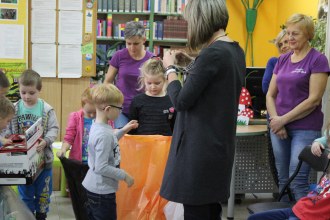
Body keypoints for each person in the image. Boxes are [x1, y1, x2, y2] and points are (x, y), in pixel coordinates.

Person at [159, 0, 246, 219]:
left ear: (201, 20)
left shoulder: (212, 54)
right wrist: (190, 62)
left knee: (197, 212)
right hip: (217, 147)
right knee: (209, 210)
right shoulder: (234, 50)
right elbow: (211, 79)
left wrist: (170, 69)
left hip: (200, 151)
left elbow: (180, 101)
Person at [266, 13, 330, 201]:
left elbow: (314, 100)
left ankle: (303, 215)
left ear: (308, 34)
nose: (290, 38)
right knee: (283, 179)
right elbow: (270, 94)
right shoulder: (283, 60)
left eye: (296, 34)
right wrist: (275, 121)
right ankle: (285, 213)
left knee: (298, 180)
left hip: (305, 129)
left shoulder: (318, 60)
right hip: (278, 127)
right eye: (288, 33)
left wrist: (282, 120)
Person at [3, 69, 59, 220]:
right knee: (25, 195)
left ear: (39, 90)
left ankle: (41, 216)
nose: (27, 97)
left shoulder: (46, 109)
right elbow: (6, 129)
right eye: (23, 92)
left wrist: (46, 140)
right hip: (22, 162)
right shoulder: (13, 109)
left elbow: (54, 128)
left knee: (43, 195)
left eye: (31, 93)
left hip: (43, 162)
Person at [82, 84, 138, 220]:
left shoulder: (98, 125)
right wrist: (124, 176)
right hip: (102, 191)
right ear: (108, 109)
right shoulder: (104, 134)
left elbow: (109, 141)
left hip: (94, 187)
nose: (121, 111)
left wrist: (123, 130)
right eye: (119, 108)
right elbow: (101, 167)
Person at [247, 136, 330, 220]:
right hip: (298, 210)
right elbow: (316, 191)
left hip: (308, 217)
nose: (328, 156)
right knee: (253, 218)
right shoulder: (327, 175)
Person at [104, 21, 154, 129]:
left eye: (136, 44)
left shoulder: (152, 59)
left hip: (144, 109)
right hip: (121, 108)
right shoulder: (119, 56)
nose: (132, 48)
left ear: (143, 40)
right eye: (128, 43)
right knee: (123, 139)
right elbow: (107, 82)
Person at [129, 57, 176, 136]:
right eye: (149, 83)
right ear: (144, 80)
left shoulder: (171, 100)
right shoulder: (137, 100)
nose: (153, 87)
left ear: (165, 80)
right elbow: (132, 127)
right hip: (142, 143)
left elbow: (175, 126)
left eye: (157, 83)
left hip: (165, 145)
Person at [56, 87, 96, 163]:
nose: (92, 115)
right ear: (84, 103)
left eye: (95, 112)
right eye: (89, 112)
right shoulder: (75, 117)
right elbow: (69, 138)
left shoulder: (104, 118)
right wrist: (63, 149)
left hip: (96, 165)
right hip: (78, 164)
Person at [262, 29, 290, 94]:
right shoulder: (274, 62)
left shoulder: (303, 62)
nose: (283, 46)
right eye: (280, 45)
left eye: (286, 42)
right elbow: (265, 87)